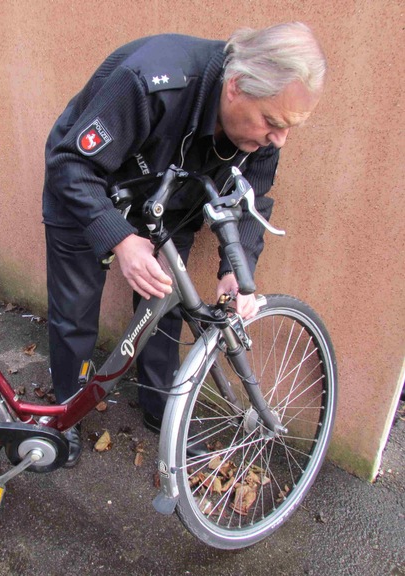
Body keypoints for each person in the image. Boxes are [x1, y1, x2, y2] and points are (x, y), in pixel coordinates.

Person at [42, 22, 327, 466]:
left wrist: (236, 270)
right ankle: (65, 418)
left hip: (166, 200)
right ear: (234, 88)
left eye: (288, 128)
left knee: (166, 306)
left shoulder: (264, 129)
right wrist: (120, 238)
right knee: (76, 311)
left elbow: (251, 200)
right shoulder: (150, 81)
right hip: (88, 185)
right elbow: (69, 164)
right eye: (273, 123)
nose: (278, 139)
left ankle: (161, 409)